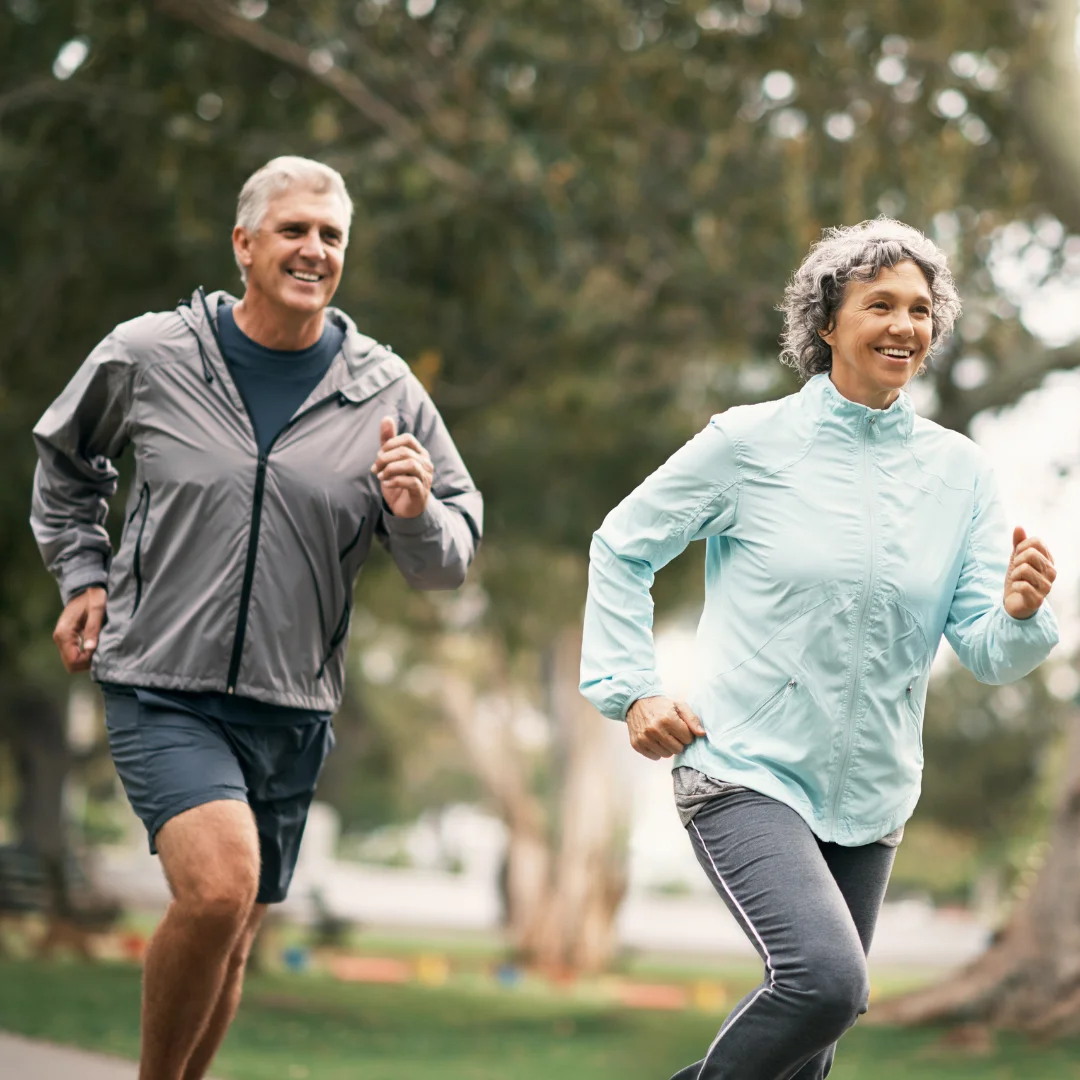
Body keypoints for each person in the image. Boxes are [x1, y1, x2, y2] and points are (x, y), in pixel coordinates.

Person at [31, 155, 482, 1080]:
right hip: (161, 682)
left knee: (234, 933)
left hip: (293, 705)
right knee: (218, 888)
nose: (314, 249)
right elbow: (67, 462)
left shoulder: (384, 390)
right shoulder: (151, 354)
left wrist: (416, 511)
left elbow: (450, 562)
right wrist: (83, 573)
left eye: (331, 236)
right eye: (294, 230)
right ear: (243, 244)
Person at [580, 218, 1058, 1080]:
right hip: (745, 769)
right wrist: (633, 689)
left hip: (873, 795)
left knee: (804, 1062)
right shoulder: (749, 443)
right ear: (828, 322)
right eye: (881, 303)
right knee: (827, 983)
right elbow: (622, 545)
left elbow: (987, 652)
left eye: (921, 308)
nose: (905, 325)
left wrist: (1020, 614)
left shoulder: (962, 476)